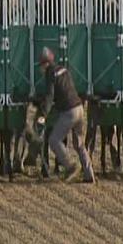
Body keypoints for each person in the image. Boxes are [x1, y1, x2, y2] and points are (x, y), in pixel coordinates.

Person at [38, 46, 95, 183]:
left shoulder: (50, 73)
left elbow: (50, 96)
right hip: (80, 108)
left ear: (45, 64)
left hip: (69, 112)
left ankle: (70, 166)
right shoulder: (63, 70)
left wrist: (43, 115)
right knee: (79, 144)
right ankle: (89, 175)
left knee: (54, 140)